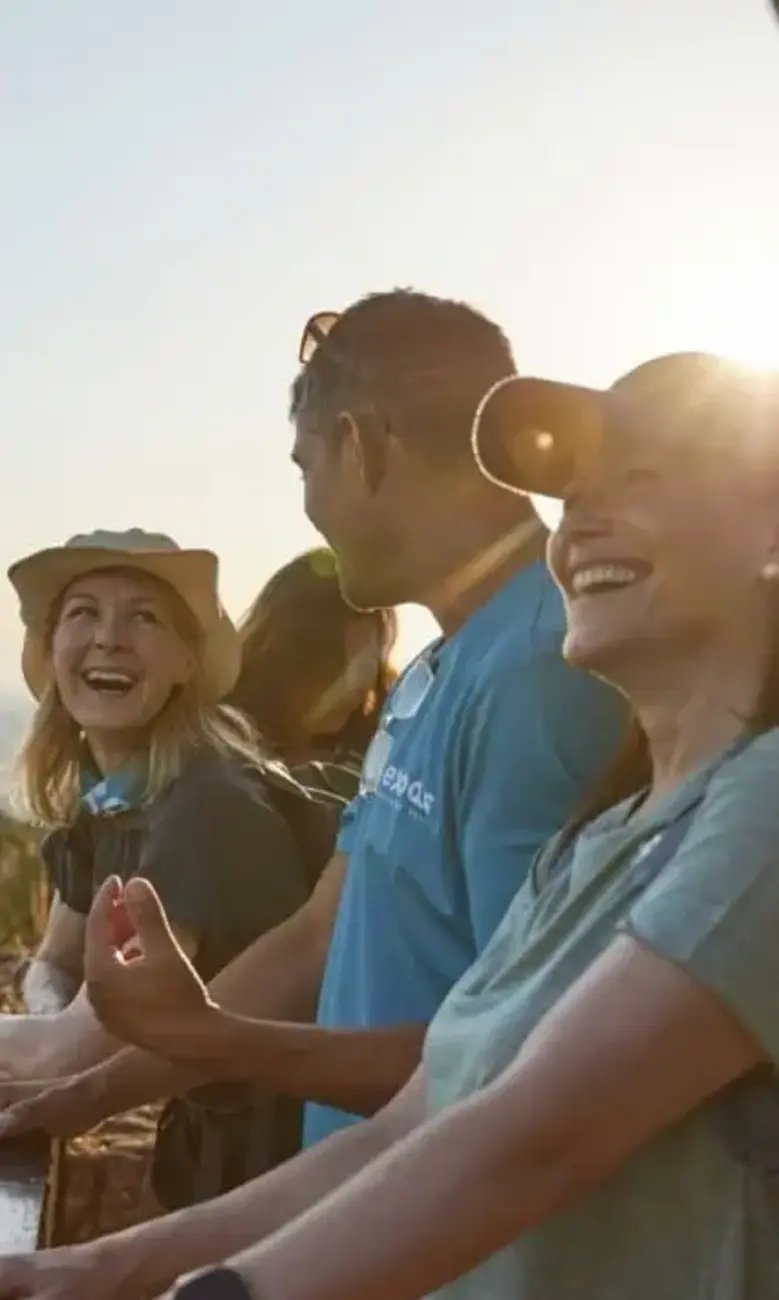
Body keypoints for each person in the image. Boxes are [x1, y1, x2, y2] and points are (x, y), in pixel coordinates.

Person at [5, 349, 779, 1300]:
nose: (580, 524)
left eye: (644, 481)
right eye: (575, 495)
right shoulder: (597, 836)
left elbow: (529, 1135)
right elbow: (417, 1119)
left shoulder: (760, 805)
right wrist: (96, 1266)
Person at [0, 290, 623, 1154]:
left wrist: (224, 1046)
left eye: (303, 467)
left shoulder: (544, 679)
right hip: (369, 1218)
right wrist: (86, 1096)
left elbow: (529, 1060)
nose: (307, 506)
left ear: (359, 444)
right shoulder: (438, 673)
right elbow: (314, 941)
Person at [0, 529, 315, 1206]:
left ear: (185, 662)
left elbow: (77, 1054)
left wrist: (57, 1030)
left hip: (287, 1161)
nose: (109, 637)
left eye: (144, 617)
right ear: (51, 651)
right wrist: (56, 1014)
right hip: (207, 1144)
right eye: (82, 612)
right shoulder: (109, 804)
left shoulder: (207, 809)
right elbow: (55, 962)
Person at [228, 547, 398, 800]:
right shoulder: (221, 740)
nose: (357, 684)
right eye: (336, 663)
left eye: (373, 658)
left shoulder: (386, 748)